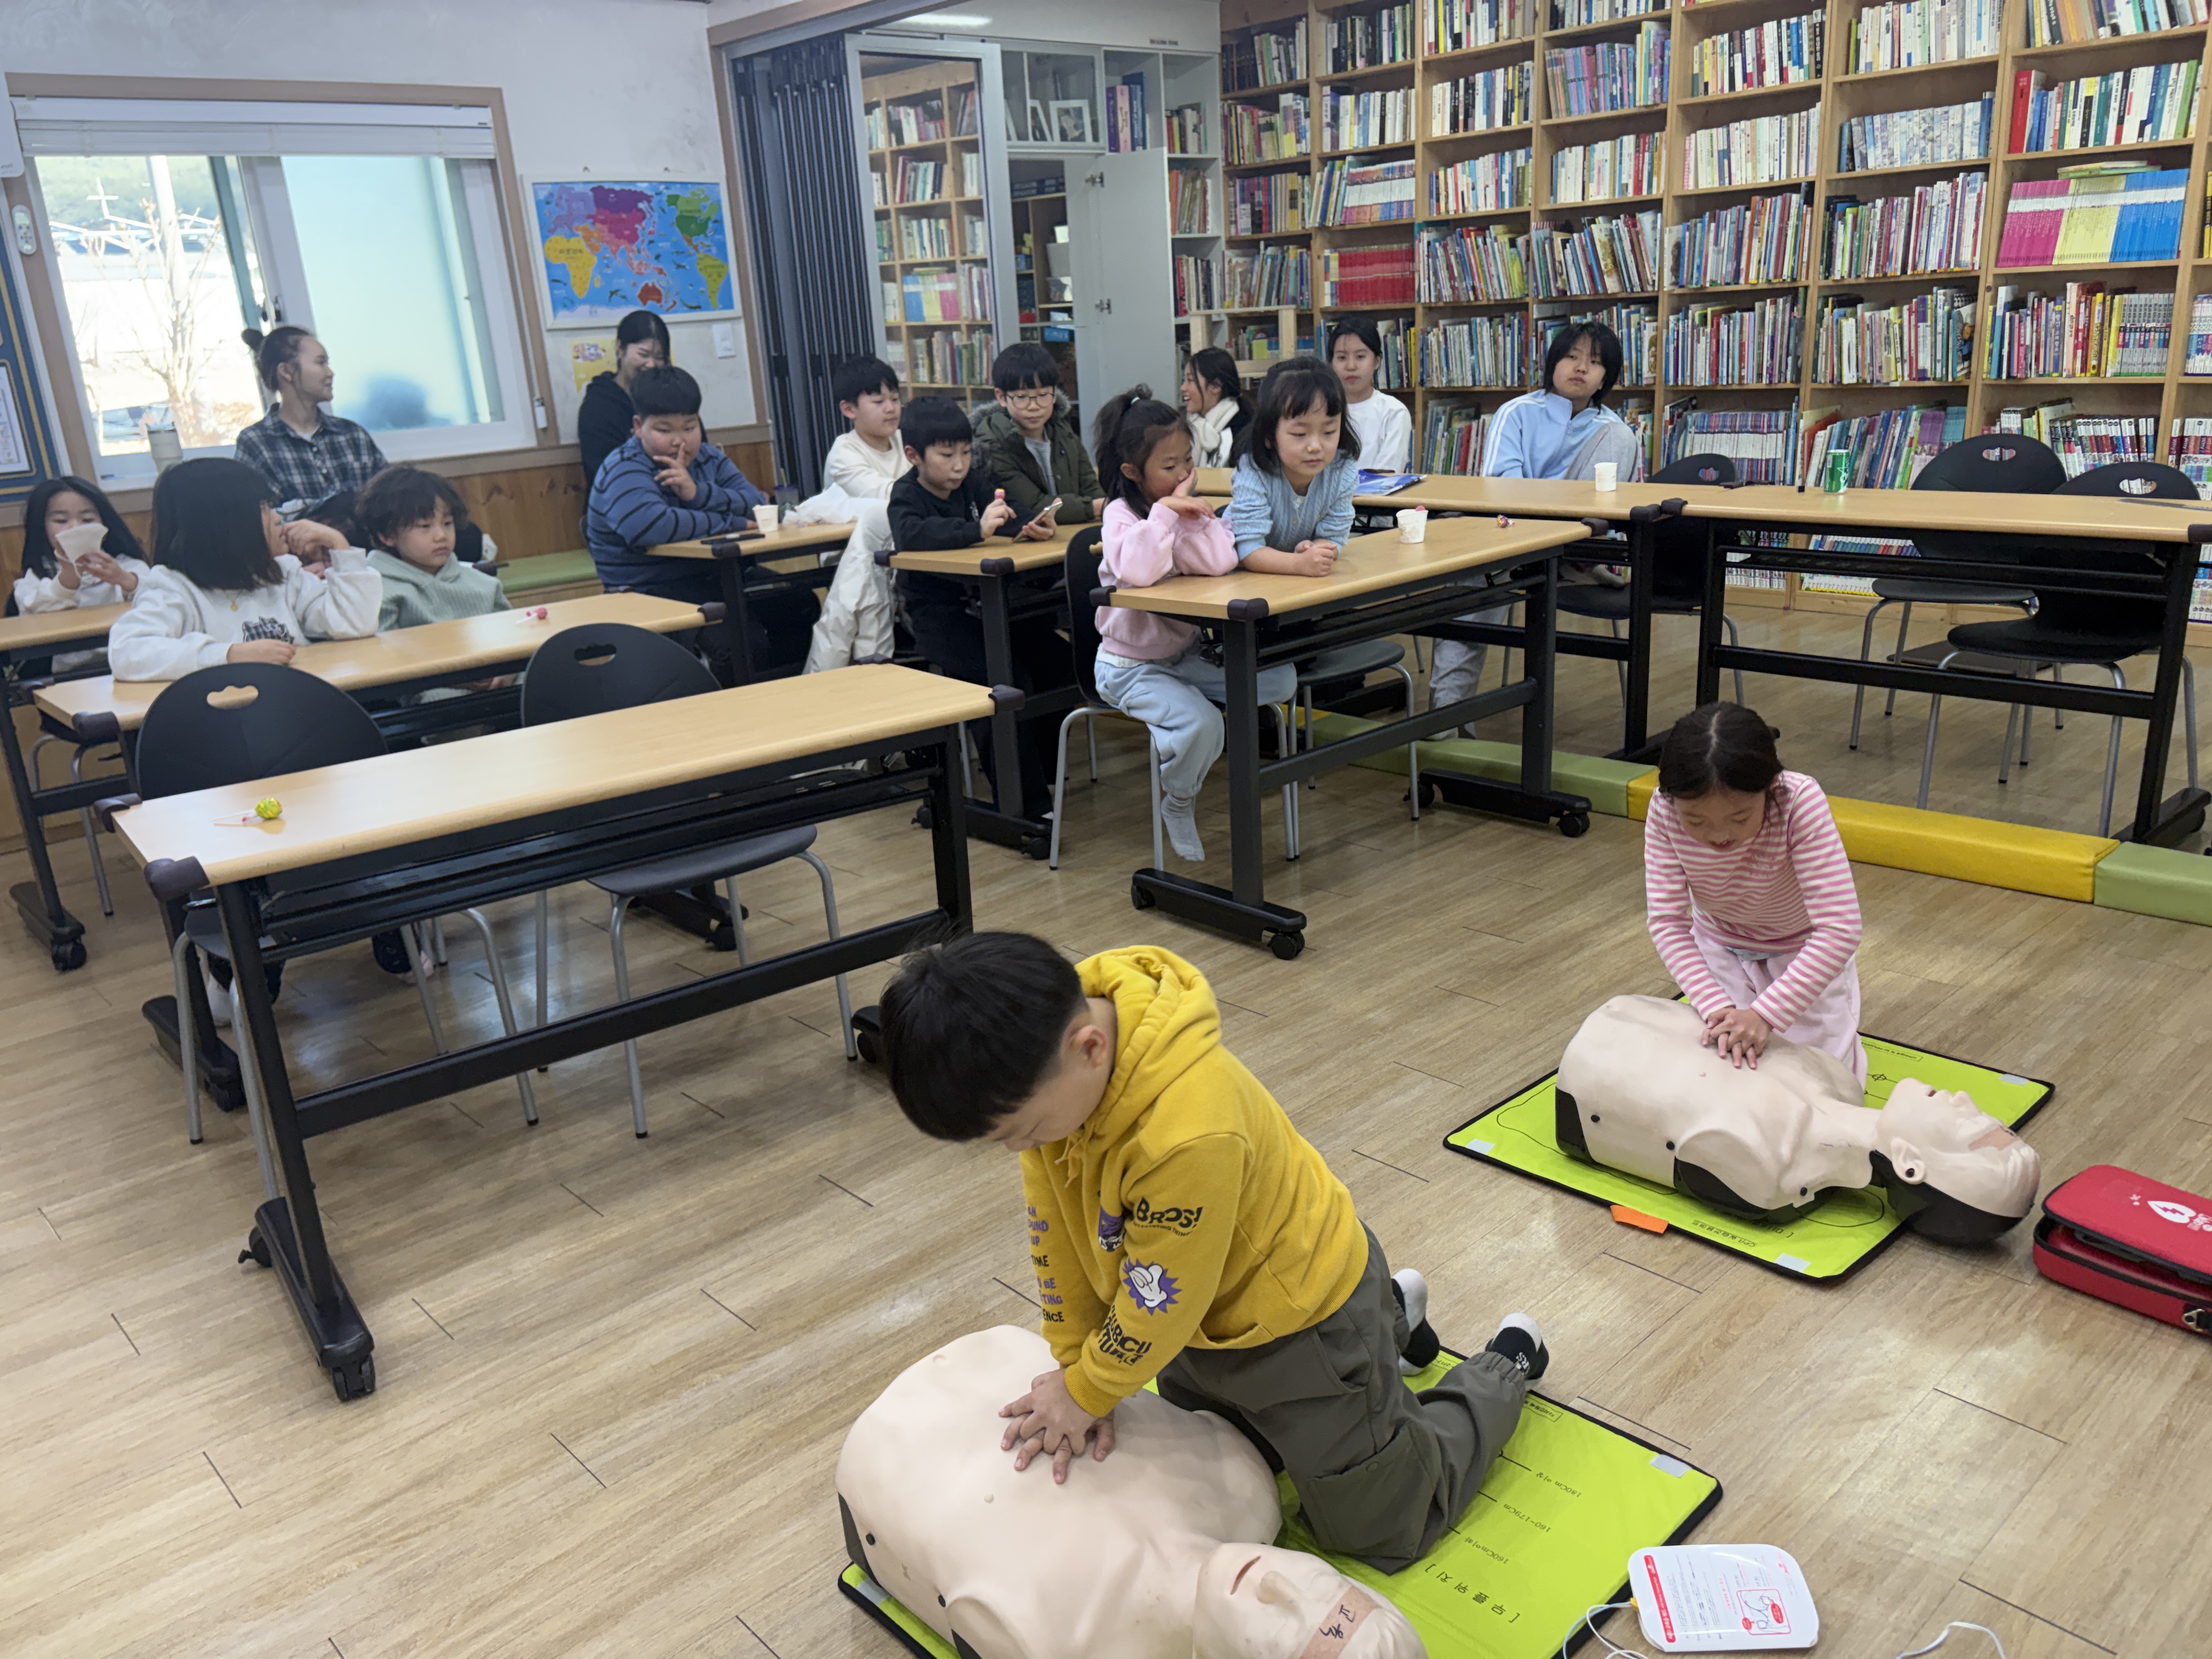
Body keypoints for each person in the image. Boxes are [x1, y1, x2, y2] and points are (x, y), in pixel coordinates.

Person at [874, 933, 1549, 1576]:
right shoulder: (1048, 1066)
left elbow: (1161, 1297)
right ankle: (1392, 1315)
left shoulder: (1187, 1129)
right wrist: (1077, 1365)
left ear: (1090, 1047)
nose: (1021, 1148)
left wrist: (1088, 1392)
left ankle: (1505, 1364)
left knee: (1382, 1525)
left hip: (1305, 1323)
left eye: (1022, 1131)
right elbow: (1056, 1235)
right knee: (1218, 1483)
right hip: (1199, 1327)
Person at [837, 1324, 1427, 1659]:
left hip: (890, 1445)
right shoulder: (1245, 1484)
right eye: (1327, 1588)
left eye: (1288, 1632)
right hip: (1017, 1369)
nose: (1278, 1583)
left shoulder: (1064, 1639)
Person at [1089, 387, 1295, 863]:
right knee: (1205, 726)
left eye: (1188, 460)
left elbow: (1220, 562)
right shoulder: (1122, 516)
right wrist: (1165, 514)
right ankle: (1178, 800)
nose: (1184, 473)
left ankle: (1179, 732)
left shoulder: (1181, 510)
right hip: (1128, 667)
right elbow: (1138, 571)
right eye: (1170, 466)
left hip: (1182, 656)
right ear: (1131, 471)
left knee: (1279, 681)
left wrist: (1192, 517)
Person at [1426, 321, 1645, 733]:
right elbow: (1501, 490)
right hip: (1510, 537)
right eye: (1572, 357)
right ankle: (1447, 721)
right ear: (1553, 363)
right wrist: (1549, 519)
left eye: (1594, 362)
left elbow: (1616, 504)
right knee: (1469, 593)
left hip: (1575, 540)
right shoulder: (1518, 413)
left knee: (1621, 435)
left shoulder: (1613, 431)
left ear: (1606, 378)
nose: (1581, 368)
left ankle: (1577, 556)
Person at [1645, 701, 1867, 1084]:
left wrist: (1766, 1014)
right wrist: (1714, 1004)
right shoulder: (1665, 809)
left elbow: (1840, 929)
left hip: (1801, 951)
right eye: (1695, 820)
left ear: (1770, 788)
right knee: (1722, 1066)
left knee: (1824, 1077)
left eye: (1740, 817)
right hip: (1719, 945)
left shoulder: (1797, 801)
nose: (1719, 835)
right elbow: (1668, 923)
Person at [889, 396, 1069, 820]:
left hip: (992, 608)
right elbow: (912, 534)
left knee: (1059, 664)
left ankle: (1047, 775)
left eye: (966, 453)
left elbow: (1004, 514)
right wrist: (975, 529)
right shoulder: (906, 495)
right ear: (914, 456)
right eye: (947, 456)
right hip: (939, 617)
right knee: (1004, 681)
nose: (959, 465)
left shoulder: (973, 483)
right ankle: (1024, 805)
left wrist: (1031, 523)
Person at [585, 364, 813, 673]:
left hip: (715, 576)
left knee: (800, 604)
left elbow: (755, 503)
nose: (680, 441)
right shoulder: (624, 467)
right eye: (665, 430)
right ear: (639, 427)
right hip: (649, 588)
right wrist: (731, 524)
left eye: (690, 428)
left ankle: (788, 691)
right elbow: (652, 526)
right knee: (739, 644)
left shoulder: (708, 457)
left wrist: (697, 493)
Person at [109, 458, 379, 682]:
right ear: (226, 524)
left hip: (298, 706)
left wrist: (340, 546)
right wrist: (228, 655)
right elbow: (128, 653)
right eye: (263, 509)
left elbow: (355, 625)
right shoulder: (173, 587)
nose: (277, 518)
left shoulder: (283, 574)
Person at [805, 354, 910, 674]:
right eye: (878, 402)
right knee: (876, 530)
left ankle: (865, 666)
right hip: (850, 557)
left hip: (902, 549)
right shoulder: (844, 453)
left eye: (895, 399)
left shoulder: (905, 440)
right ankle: (872, 666)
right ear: (849, 409)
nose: (891, 408)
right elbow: (894, 498)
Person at [1226, 357, 1361, 575]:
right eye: (1300, 434)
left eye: (1329, 432)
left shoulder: (1342, 470)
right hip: (1240, 575)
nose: (1315, 446)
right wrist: (1297, 564)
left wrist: (1316, 550)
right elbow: (1250, 550)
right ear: (1269, 435)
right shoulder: (1253, 470)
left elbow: (1334, 537)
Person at [233, 325, 389, 511]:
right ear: (287, 371)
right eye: (320, 363)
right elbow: (258, 517)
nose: (330, 373)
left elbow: (390, 501)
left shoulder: (353, 435)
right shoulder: (257, 443)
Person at [12, 477, 147, 673]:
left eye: (88, 520)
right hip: (70, 674)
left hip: (130, 664)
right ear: (42, 528)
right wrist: (68, 576)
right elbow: (35, 614)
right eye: (61, 521)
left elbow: (157, 593)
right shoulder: (37, 577)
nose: (76, 527)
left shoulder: (127, 565)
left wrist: (125, 579)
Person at [356, 466, 510, 631]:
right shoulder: (377, 592)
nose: (441, 536)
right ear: (388, 535)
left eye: (448, 523)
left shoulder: (485, 586)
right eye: (425, 526)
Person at [972, 342, 1103, 527]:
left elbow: (1091, 487)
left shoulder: (1063, 431)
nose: (1034, 406)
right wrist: (1097, 507)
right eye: (1022, 397)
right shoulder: (991, 443)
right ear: (1001, 397)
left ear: (1055, 393)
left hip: (1070, 531)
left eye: (1043, 395)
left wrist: (1104, 505)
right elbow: (1035, 506)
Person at [576, 309, 672, 485]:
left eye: (659, 357)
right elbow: (603, 475)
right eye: (643, 355)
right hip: (622, 494)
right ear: (620, 349)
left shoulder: (674, 396)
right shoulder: (598, 406)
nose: (651, 365)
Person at [1328, 320, 1412, 475]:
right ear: (1331, 363)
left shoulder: (1393, 412)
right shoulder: (1321, 409)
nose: (1351, 366)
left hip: (1375, 490)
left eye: (1360, 357)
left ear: (1377, 361)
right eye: (1342, 358)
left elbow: (1387, 475)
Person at [1181, 347, 1248, 469]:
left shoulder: (1244, 431)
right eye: (1184, 380)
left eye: (1190, 380)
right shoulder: (1187, 426)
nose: (1183, 388)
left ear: (1216, 386)